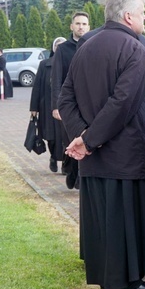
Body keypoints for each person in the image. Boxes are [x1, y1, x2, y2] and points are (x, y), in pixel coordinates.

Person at [58, 0, 145, 289]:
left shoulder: (86, 45)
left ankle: (113, 282)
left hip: (96, 157)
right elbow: (123, 103)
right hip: (126, 153)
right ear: (127, 16)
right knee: (124, 218)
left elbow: (65, 99)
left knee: (106, 221)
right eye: (142, 12)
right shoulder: (134, 48)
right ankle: (126, 283)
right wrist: (89, 140)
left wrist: (82, 136)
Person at [52, 11, 90, 189]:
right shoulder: (63, 49)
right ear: (71, 26)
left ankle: (82, 178)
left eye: (84, 24)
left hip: (88, 103)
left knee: (86, 138)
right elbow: (56, 78)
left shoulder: (92, 45)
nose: (81, 27)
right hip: (68, 104)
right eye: (78, 24)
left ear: (89, 27)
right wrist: (56, 105)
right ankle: (71, 172)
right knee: (70, 140)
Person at [30, 37, 66, 172]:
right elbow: (37, 87)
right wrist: (34, 107)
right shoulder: (44, 64)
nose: (59, 48)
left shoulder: (69, 63)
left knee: (64, 136)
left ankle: (64, 163)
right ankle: (53, 157)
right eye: (57, 45)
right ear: (53, 48)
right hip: (47, 107)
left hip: (65, 107)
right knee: (50, 136)